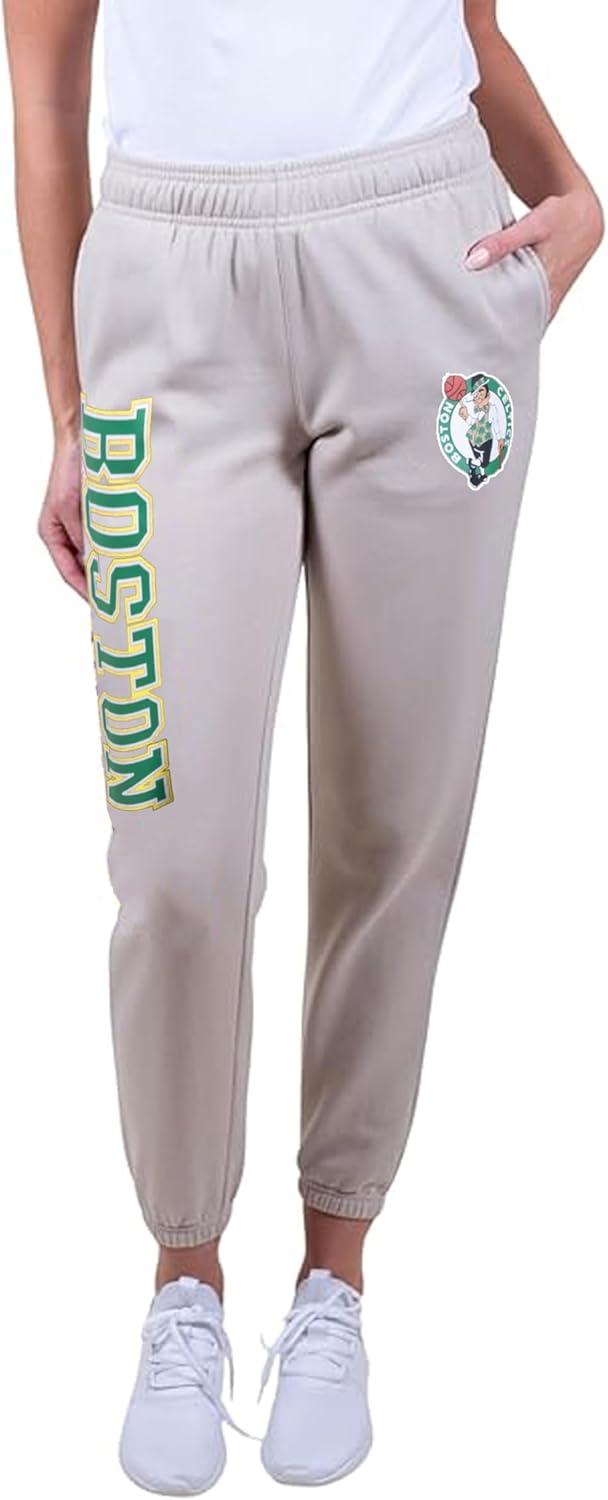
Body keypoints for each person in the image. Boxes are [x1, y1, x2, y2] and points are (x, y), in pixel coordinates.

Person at [4, 0, 602, 1491]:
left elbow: (463, 20)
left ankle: (335, 1277)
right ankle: (184, 1280)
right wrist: (68, 407)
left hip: (423, 269)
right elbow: (48, 88)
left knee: (399, 818)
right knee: (176, 859)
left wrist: (574, 197)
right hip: (165, 296)